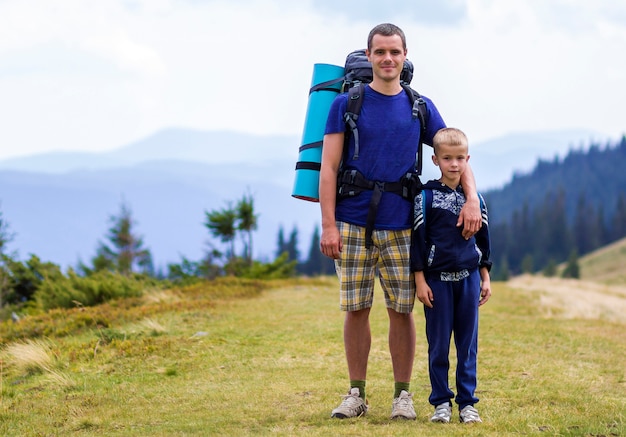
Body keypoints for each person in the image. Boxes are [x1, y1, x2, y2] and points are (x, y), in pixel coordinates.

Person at [319, 23, 482, 420]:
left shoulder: (419, 106)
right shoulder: (347, 103)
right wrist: (328, 225)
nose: (387, 59)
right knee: (355, 309)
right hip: (352, 221)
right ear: (369, 55)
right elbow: (328, 165)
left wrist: (472, 198)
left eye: (394, 52)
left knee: (401, 310)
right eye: (380, 52)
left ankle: (402, 396)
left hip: (403, 226)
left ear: (405, 56)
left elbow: (456, 153)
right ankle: (355, 394)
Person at [411, 127, 492, 424]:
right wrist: (420, 280)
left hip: (469, 280)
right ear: (435, 160)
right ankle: (441, 402)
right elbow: (417, 241)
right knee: (439, 345)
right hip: (436, 283)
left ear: (467, 159)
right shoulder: (425, 197)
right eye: (447, 158)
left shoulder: (476, 200)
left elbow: (484, 242)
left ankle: (468, 403)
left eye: (460, 158)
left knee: (467, 345)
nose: (454, 164)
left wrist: (485, 277)